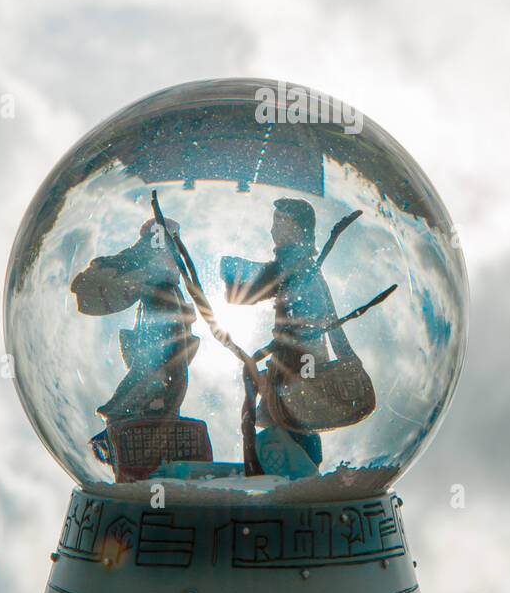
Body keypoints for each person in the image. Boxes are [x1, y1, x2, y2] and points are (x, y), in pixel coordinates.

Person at [220, 199, 354, 466]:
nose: (272, 230)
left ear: (299, 229)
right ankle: (291, 471)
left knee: (294, 420)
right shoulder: (297, 266)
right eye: (275, 222)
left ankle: (293, 473)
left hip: (301, 363)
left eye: (280, 222)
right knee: (290, 420)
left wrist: (229, 269)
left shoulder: (296, 266)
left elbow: (253, 288)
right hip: (297, 361)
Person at [71, 215, 199, 424]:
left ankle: (156, 406)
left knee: (169, 360)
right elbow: (132, 257)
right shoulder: (154, 245)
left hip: (167, 302)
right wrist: (109, 264)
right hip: (159, 302)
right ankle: (131, 408)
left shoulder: (168, 251)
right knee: (156, 360)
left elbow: (134, 258)